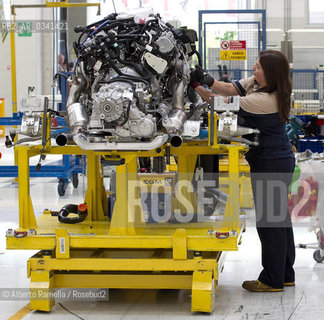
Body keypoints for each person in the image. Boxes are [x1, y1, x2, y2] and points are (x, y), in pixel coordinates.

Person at [190, 50, 295, 292]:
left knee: (270, 222)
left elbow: (217, 102)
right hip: (275, 159)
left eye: (258, 67)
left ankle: (271, 280)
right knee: (279, 219)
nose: (254, 70)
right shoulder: (260, 84)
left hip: (272, 163)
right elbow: (227, 89)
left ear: (270, 74)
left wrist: (195, 85)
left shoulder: (265, 100)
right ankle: (285, 274)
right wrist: (207, 79)